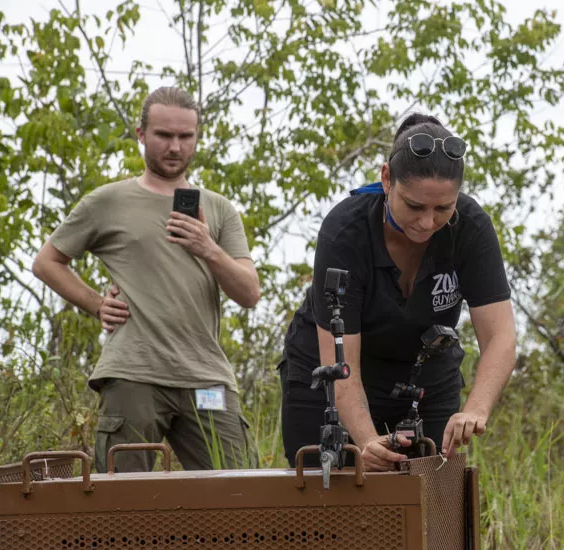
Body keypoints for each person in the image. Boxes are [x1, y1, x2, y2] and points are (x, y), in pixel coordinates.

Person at [32, 87, 260, 473]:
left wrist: (209, 248)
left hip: (206, 378)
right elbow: (47, 262)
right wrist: (96, 303)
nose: (175, 147)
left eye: (185, 137)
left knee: (244, 488)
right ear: (141, 134)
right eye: (163, 135)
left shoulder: (219, 208)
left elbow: (249, 293)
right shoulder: (107, 201)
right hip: (133, 373)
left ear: (197, 137)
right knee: (121, 503)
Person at [280, 113, 517, 471]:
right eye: (414, 206)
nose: (427, 222)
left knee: (432, 496)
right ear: (387, 179)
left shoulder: (471, 227)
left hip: (424, 373)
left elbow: (501, 336)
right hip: (334, 372)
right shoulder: (345, 232)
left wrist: (474, 410)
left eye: (443, 209)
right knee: (330, 494)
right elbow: (342, 365)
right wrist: (366, 440)